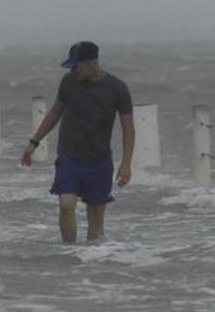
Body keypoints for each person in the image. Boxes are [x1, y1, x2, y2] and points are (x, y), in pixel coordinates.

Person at [21, 41, 134, 243]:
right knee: (66, 205)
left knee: (96, 220)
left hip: (99, 160)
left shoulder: (117, 88)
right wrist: (33, 143)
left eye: (75, 66)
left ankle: (90, 264)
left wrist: (126, 164)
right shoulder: (68, 82)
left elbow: (128, 128)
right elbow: (55, 113)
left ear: (90, 64)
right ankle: (69, 252)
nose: (73, 70)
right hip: (70, 157)